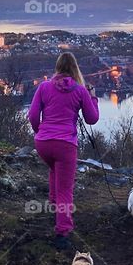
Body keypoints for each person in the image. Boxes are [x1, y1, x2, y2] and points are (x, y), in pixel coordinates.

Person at [27, 52, 100, 250]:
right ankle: (62, 233)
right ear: (75, 68)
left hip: (43, 143)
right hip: (66, 144)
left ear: (57, 67)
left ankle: (53, 203)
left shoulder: (43, 87)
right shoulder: (81, 91)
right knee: (65, 189)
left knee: (54, 170)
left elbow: (33, 115)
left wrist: (39, 132)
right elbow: (92, 119)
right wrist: (93, 98)